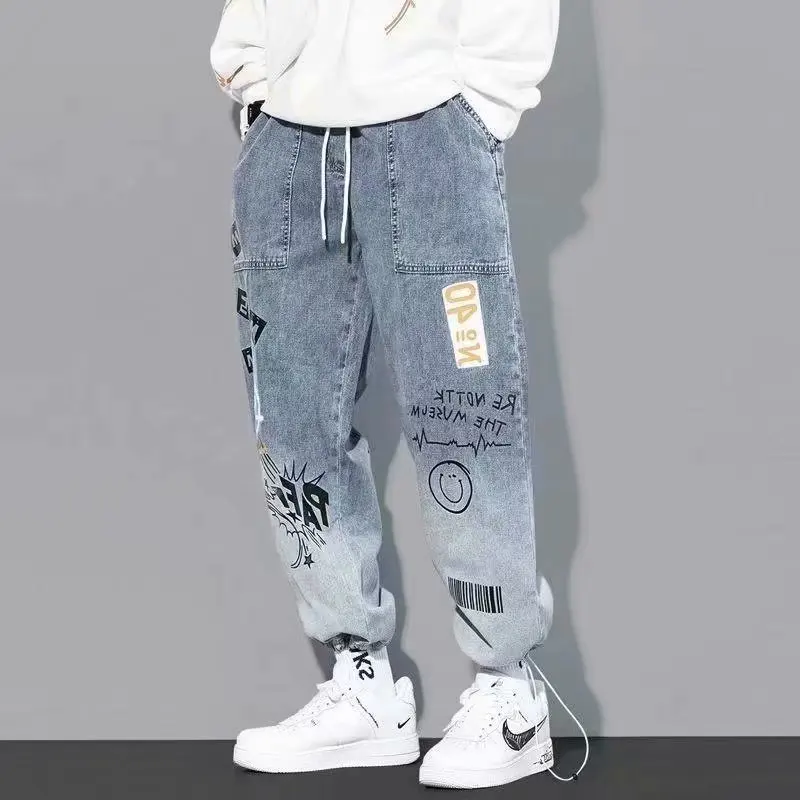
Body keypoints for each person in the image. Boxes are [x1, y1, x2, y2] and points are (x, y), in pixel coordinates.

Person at [210, 0, 586, 789]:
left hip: (430, 130)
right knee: (292, 425)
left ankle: (510, 694)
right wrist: (252, 72)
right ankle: (362, 686)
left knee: (463, 418)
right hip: (288, 135)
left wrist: (481, 103)